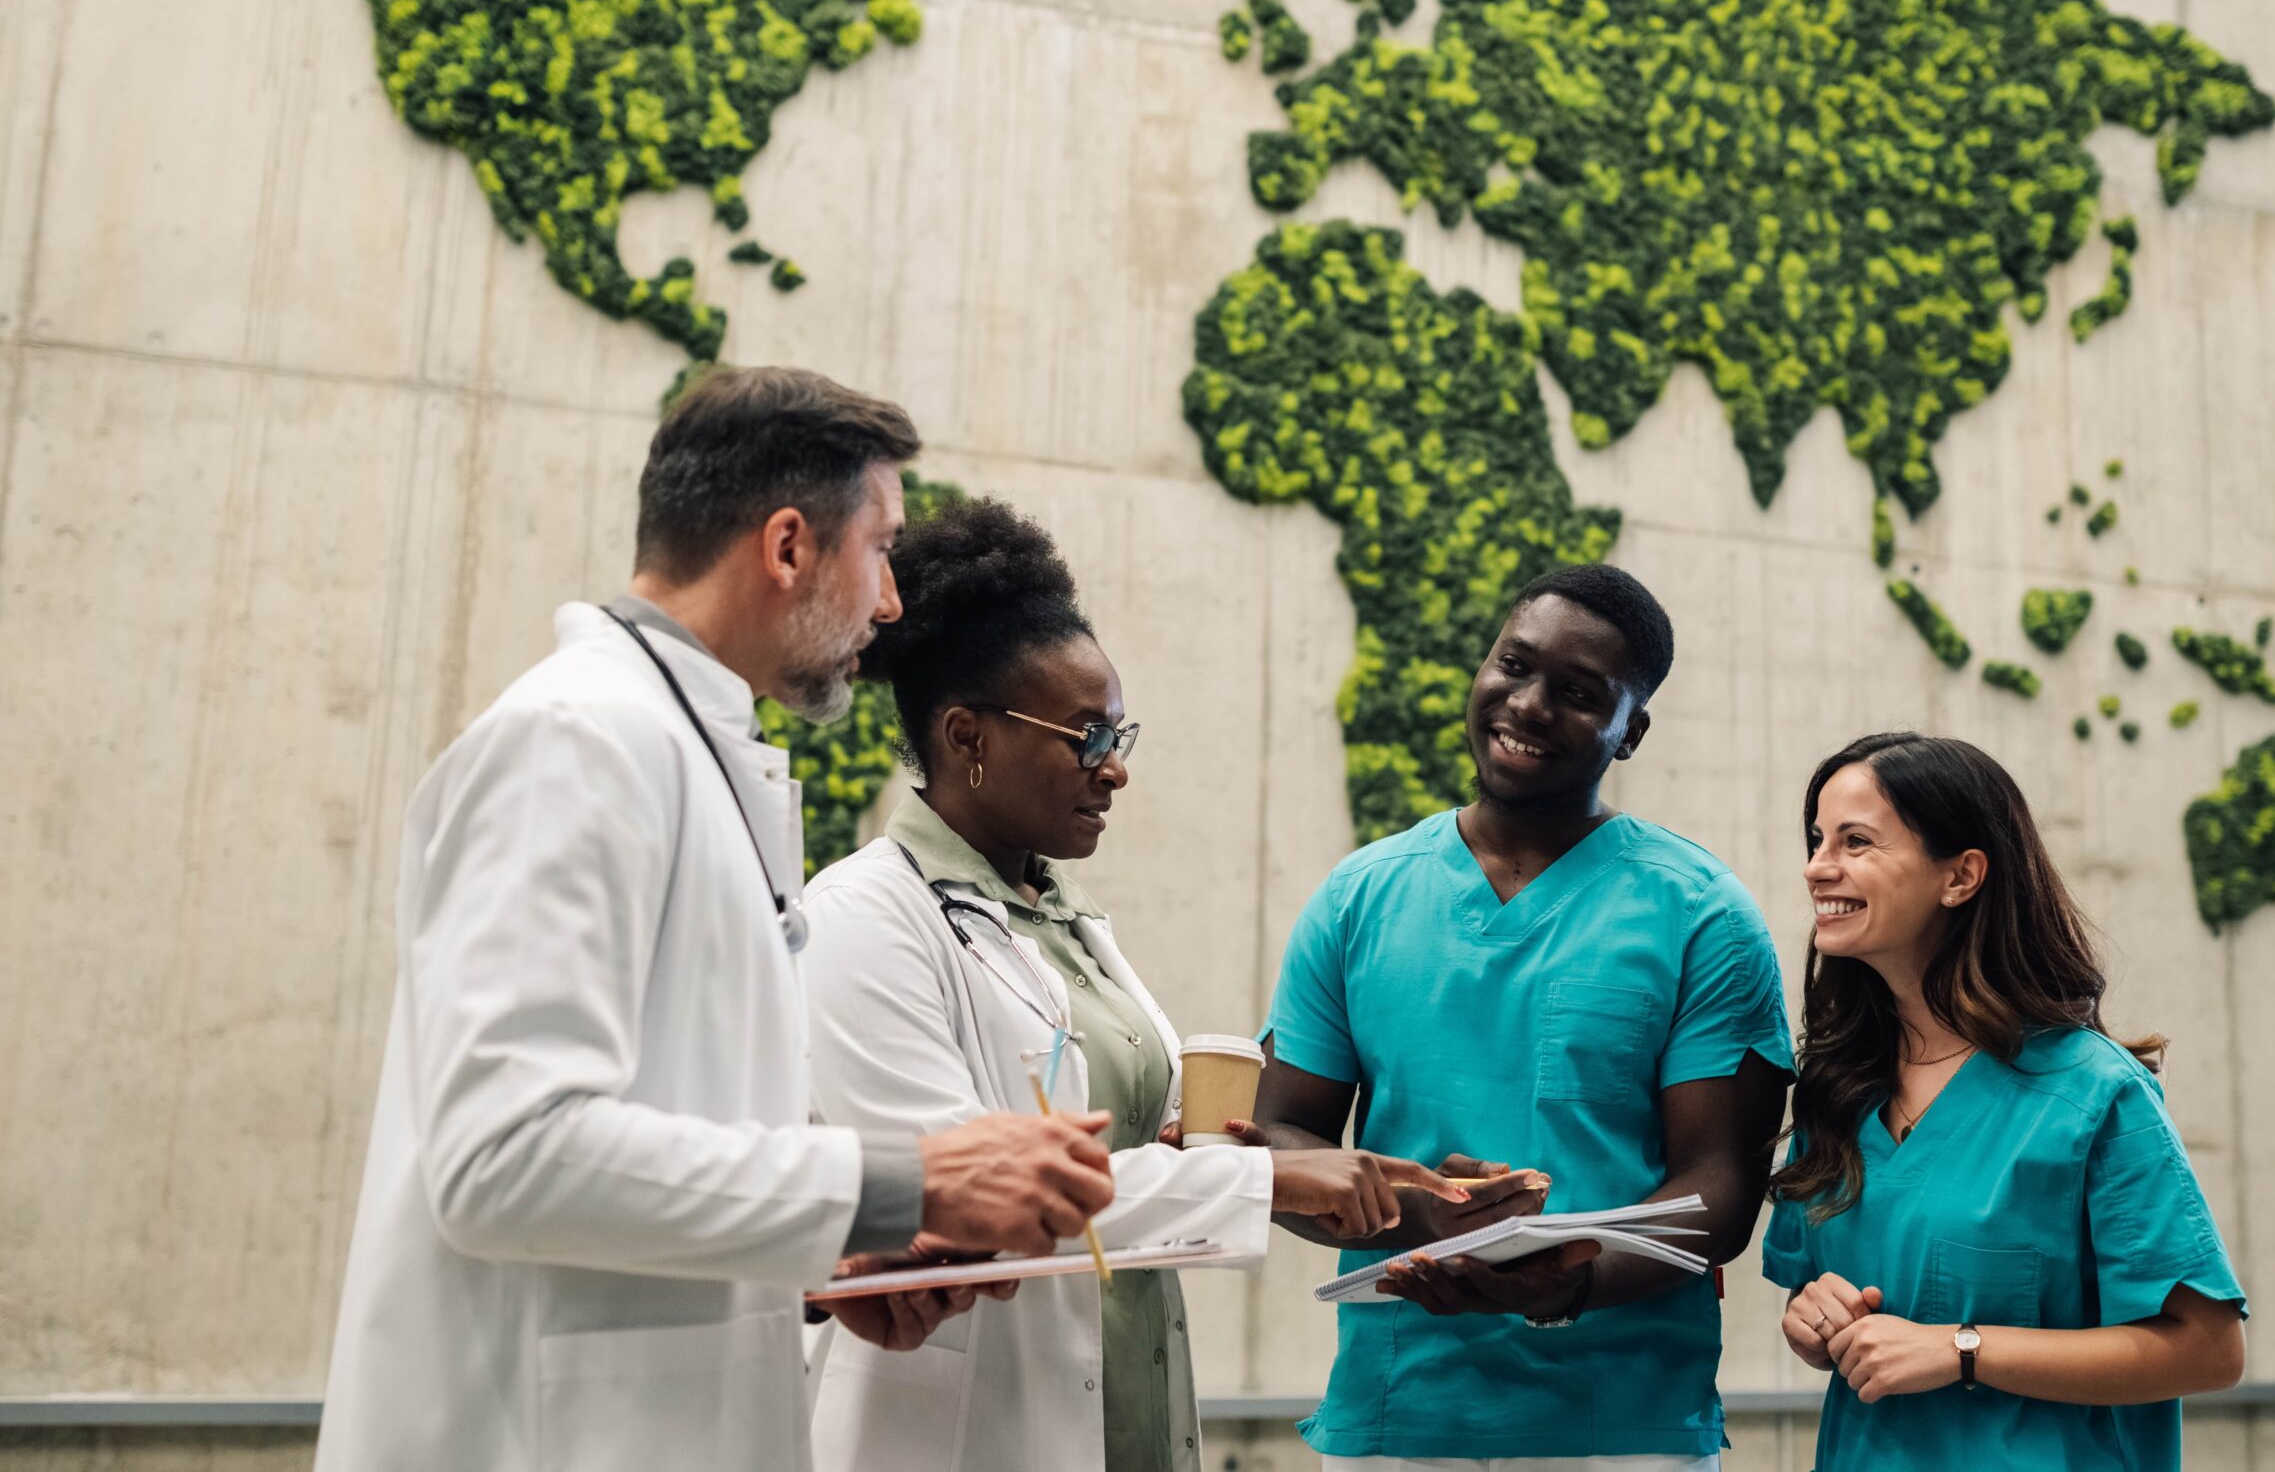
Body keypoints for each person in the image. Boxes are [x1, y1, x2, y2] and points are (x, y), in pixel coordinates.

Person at [315, 368, 1119, 1472]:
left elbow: (656, 1149)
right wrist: (905, 1181)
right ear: (789, 546)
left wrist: (812, 1265)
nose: (891, 605)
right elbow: (503, 1158)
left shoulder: (688, 752)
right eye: (880, 550)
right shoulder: (574, 742)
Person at [799, 497, 1462, 1472]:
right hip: (965, 1426)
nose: (1114, 771)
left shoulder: (1070, 921)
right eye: (1086, 737)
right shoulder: (863, 916)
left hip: (1126, 1394)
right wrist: (1265, 1174)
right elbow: (959, 1191)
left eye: (1120, 736)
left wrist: (1392, 1183)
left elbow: (1119, 1143)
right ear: (966, 736)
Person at [1256, 564, 1795, 1472]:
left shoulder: (1702, 912)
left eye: (1581, 694)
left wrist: (1568, 1277)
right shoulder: (1360, 897)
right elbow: (1279, 1132)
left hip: (1623, 1425)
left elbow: (1722, 1187)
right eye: (1515, 664)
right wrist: (1419, 1214)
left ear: (1633, 731)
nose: (1532, 704)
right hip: (1398, 1416)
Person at [1763, 731, 2247, 1470]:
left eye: (1856, 841)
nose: (1817, 866)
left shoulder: (2093, 1092)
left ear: (1960, 876)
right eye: (1817, 838)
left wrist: (1963, 1349)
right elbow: (1824, 1310)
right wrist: (1812, 1322)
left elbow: (2210, 1349)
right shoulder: (1838, 1086)